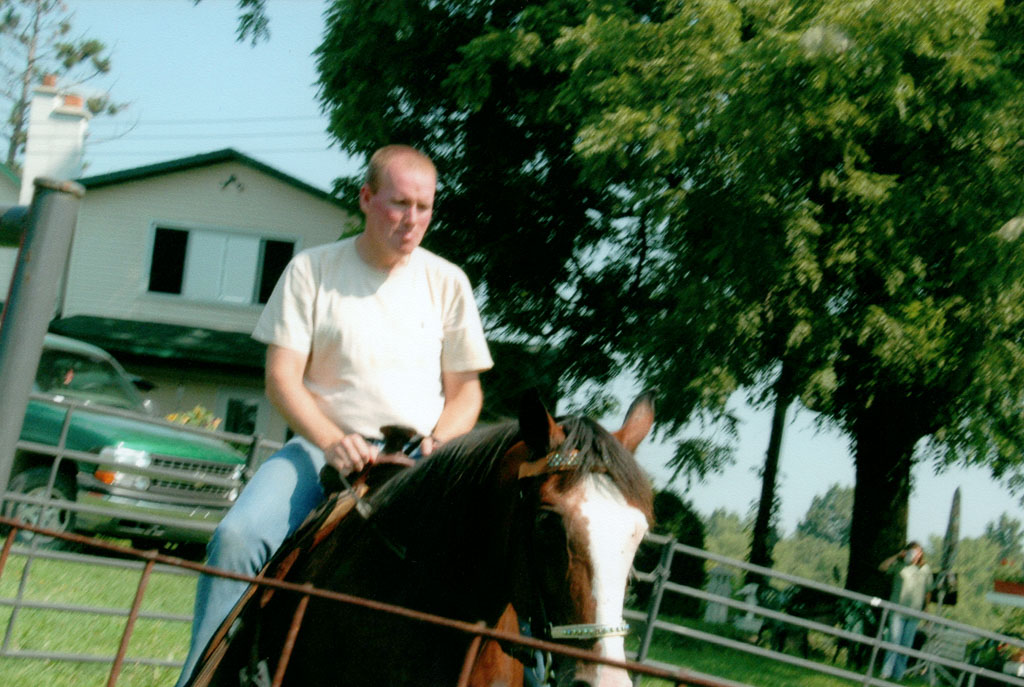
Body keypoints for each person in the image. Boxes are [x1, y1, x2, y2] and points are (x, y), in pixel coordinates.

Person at [175, 144, 494, 686]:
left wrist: (438, 440)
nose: (412, 219)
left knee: (509, 556)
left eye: (424, 206)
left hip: (421, 462)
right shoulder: (312, 271)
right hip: (320, 451)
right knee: (238, 537)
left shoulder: (448, 283)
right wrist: (332, 440)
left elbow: (467, 393)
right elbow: (281, 378)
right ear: (367, 198)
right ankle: (199, 679)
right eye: (398, 204)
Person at [878, 541, 934, 680]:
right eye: (912, 552)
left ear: (921, 554)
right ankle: (886, 672)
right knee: (893, 642)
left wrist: (926, 609)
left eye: (918, 552)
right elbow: (882, 568)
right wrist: (897, 555)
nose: (915, 555)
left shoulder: (925, 569)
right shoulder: (899, 565)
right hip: (897, 610)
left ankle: (898, 675)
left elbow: (928, 591)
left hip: (914, 613)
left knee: (906, 645)